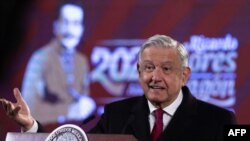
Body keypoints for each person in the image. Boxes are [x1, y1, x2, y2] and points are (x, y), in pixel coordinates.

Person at [1, 35, 236, 141]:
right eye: (148, 67)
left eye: (166, 69)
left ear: (184, 75)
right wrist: (31, 127)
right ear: (138, 71)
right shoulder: (117, 115)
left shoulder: (220, 120)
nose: (155, 76)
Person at [20, 0, 95, 124]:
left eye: (76, 23)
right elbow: (27, 110)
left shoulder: (82, 62)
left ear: (82, 29)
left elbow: (83, 106)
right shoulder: (40, 58)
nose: (70, 30)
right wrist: (69, 111)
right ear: (56, 26)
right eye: (65, 22)